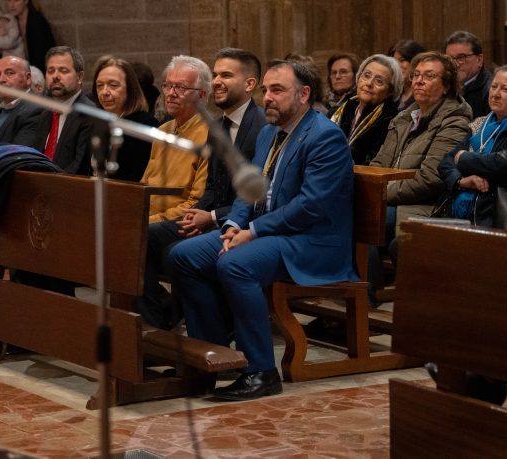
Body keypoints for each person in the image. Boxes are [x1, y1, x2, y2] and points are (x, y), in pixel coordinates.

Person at [166, 59, 355, 401]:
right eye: (266, 89)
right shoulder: (270, 132)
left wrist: (251, 230)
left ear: (304, 94)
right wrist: (235, 222)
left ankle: (260, 371)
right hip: (269, 232)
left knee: (235, 263)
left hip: (312, 241)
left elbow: (310, 206)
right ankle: (216, 357)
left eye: (277, 90)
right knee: (184, 255)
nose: (267, 97)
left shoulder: (325, 136)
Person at [141, 48, 265, 328]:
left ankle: (202, 325)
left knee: (169, 248)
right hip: (212, 214)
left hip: (240, 221)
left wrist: (209, 217)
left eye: (226, 75)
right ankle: (156, 325)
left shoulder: (260, 127)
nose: (218, 80)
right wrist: (200, 212)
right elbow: (212, 186)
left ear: (250, 84)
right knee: (139, 237)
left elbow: (252, 195)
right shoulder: (218, 125)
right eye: (216, 74)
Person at [438, 64, 507, 226]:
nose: (496, 94)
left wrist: (463, 158)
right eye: (494, 87)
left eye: (505, 89)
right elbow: (446, 162)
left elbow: (500, 164)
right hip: (465, 209)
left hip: (505, 216)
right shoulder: (479, 124)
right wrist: (461, 181)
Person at [370, 51, 473, 228]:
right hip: (389, 199)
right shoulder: (403, 119)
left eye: (429, 76)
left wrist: (379, 193)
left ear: (446, 86)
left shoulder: (454, 122)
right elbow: (379, 164)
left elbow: (431, 180)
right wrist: (369, 189)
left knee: (364, 218)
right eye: (416, 75)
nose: (418, 81)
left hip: (422, 208)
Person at [139, 55, 211, 223]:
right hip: (145, 217)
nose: (170, 94)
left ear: (202, 94)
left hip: (176, 222)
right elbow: (143, 187)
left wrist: (146, 221)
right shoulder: (162, 131)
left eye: (181, 87)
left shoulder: (210, 136)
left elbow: (195, 203)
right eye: (167, 85)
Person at [91, 55, 158, 182]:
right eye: (100, 85)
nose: (104, 92)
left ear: (130, 89)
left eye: (113, 85)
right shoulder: (97, 123)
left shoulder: (144, 125)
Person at [30, 46, 94, 175]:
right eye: (50, 71)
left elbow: (79, 168)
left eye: (63, 71)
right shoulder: (46, 113)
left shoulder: (89, 115)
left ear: (80, 77)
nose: (55, 77)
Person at [329, 54, 402, 165]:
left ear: (390, 92)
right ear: (358, 78)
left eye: (379, 81)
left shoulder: (391, 121)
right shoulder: (340, 110)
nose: (369, 83)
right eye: (366, 76)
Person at [0, 0, 57, 72]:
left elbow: (43, 52)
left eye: (16, 0)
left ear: (26, 0)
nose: (12, 5)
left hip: (41, 70)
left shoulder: (37, 21)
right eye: (9, 0)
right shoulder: (10, 22)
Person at [444, 30, 493, 118]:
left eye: (461, 57)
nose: (455, 64)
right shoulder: (443, 85)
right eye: (449, 59)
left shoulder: (490, 92)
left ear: (479, 60)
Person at [387, 39, 427, 111]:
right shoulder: (392, 94)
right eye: (394, 62)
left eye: (402, 60)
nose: (397, 65)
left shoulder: (423, 94)